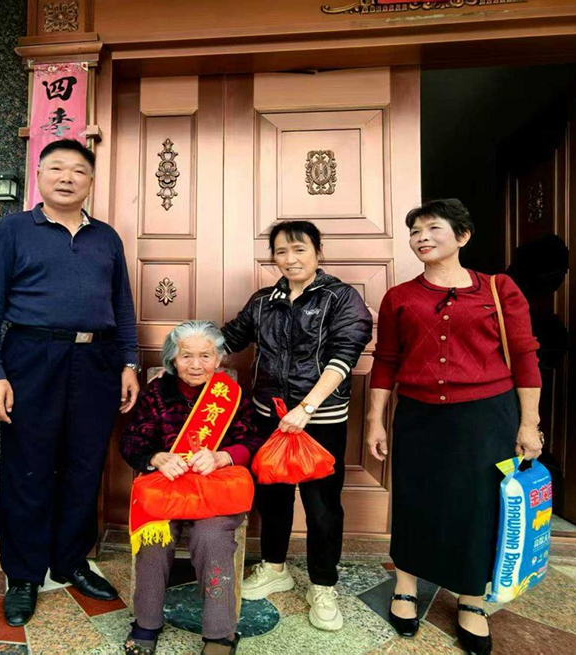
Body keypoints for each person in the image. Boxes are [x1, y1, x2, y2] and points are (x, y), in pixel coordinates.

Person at [0, 139, 140, 626]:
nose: (67, 177)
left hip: (96, 360)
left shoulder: (106, 237)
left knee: (85, 466)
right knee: (28, 467)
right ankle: (23, 575)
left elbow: (122, 305)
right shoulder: (13, 230)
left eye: (78, 171)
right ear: (39, 176)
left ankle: (70, 561)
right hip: (31, 356)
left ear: (91, 181)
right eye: (57, 168)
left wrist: (129, 362)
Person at [365, 199, 543, 655]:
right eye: (414, 231)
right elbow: (386, 360)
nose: (421, 237)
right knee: (414, 499)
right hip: (420, 414)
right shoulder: (399, 297)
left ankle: (471, 599)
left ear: (462, 236)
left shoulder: (499, 289)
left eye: (432, 228)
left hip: (485, 416)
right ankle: (406, 586)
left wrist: (529, 424)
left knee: (479, 506)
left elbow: (525, 357)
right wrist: (375, 420)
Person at [221, 221, 373, 632]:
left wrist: (306, 407)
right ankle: (275, 567)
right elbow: (229, 339)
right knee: (273, 498)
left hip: (318, 420)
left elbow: (345, 356)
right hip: (268, 415)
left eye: (299, 249)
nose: (290, 259)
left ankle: (322, 585)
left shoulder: (341, 298)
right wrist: (188, 351)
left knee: (322, 506)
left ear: (318, 252)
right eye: (281, 252)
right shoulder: (263, 301)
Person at [120, 321, 264, 655]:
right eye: (186, 356)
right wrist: (155, 457)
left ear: (219, 359)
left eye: (205, 355)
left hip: (215, 491)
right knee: (155, 539)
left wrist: (223, 456)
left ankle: (220, 633)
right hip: (167, 488)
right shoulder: (157, 393)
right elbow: (131, 441)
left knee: (212, 538)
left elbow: (254, 440)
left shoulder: (230, 395)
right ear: (173, 359)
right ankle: (146, 622)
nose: (196, 364)